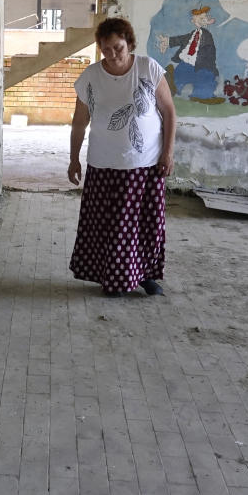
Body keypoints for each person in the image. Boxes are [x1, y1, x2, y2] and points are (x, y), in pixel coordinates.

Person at [68, 17, 177, 296]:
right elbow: (79, 121)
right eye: (106, 49)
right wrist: (74, 158)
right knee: (110, 226)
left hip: (145, 164)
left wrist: (167, 152)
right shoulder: (91, 77)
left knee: (143, 225)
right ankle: (115, 279)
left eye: (118, 47)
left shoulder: (148, 68)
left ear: (129, 43)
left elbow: (169, 112)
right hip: (104, 163)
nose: (113, 54)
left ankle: (144, 276)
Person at [156, 5, 224, 104]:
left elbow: (209, 51)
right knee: (178, 76)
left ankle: (202, 96)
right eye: (198, 19)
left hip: (201, 66)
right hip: (186, 63)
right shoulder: (193, 34)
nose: (201, 21)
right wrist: (167, 41)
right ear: (193, 21)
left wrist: (208, 66)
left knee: (206, 78)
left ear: (208, 21)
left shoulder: (207, 35)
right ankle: (170, 86)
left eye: (203, 18)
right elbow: (181, 39)